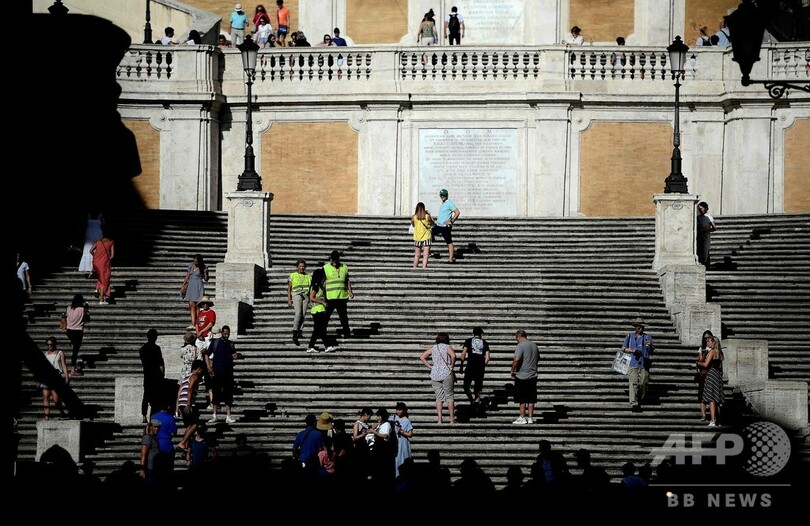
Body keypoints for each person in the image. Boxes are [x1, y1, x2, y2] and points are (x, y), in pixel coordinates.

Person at [419, 332, 457, 424]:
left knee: (439, 398)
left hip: (435, 374)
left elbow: (422, 357)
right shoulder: (447, 347)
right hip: (446, 372)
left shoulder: (433, 348)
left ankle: (440, 420)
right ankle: (452, 419)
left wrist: (431, 367)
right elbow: (453, 356)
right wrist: (451, 365)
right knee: (449, 397)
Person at [205, 325, 239, 424]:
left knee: (228, 394)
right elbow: (207, 353)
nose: (226, 335)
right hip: (217, 372)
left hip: (228, 373)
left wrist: (236, 355)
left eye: (228, 333)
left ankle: (228, 416)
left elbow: (234, 354)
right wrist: (208, 367)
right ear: (221, 333)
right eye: (225, 333)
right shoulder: (215, 342)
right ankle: (214, 415)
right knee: (216, 394)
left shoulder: (231, 344)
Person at [622, 317, 654, 411]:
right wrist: (631, 350)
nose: (640, 328)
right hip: (633, 362)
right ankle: (634, 403)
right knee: (633, 383)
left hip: (644, 363)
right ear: (635, 327)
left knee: (644, 383)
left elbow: (652, 351)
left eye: (642, 327)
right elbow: (623, 348)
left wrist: (650, 347)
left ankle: (642, 397)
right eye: (638, 327)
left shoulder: (648, 337)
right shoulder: (630, 336)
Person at [323, 250, 354, 339]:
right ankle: (322, 332)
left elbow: (347, 280)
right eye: (333, 259)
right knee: (326, 317)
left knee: (344, 317)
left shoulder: (344, 267)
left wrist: (350, 291)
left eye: (336, 259)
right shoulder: (325, 268)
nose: (335, 261)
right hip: (330, 297)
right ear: (331, 259)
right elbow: (321, 281)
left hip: (342, 296)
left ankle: (346, 333)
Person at [510, 329, 539, 424]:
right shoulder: (534, 345)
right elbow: (538, 358)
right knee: (531, 397)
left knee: (521, 397)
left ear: (518, 337)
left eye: (516, 339)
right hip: (533, 375)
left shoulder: (520, 345)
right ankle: (530, 417)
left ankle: (522, 417)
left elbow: (517, 359)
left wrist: (512, 369)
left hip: (522, 375)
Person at [176, 359, 205, 451]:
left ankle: (186, 445)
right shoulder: (195, 376)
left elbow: (178, 394)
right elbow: (190, 389)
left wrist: (177, 409)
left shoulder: (185, 378)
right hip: (187, 403)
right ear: (199, 369)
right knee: (196, 424)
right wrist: (189, 404)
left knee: (189, 426)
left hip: (181, 403)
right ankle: (183, 442)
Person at [306, 267, 337, 353]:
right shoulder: (315, 286)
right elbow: (311, 298)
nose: (325, 278)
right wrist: (322, 302)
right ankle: (323, 346)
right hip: (317, 310)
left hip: (319, 309)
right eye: (324, 276)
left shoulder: (319, 286)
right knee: (319, 329)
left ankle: (315, 346)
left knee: (319, 329)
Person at [139, 328, 165, 423]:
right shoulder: (156, 348)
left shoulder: (142, 349)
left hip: (147, 374)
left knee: (146, 395)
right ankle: (153, 415)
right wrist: (162, 375)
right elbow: (161, 363)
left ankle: (144, 416)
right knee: (156, 396)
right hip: (156, 375)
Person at [40, 336, 69, 420]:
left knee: (55, 399)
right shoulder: (45, 354)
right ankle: (46, 418)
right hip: (46, 377)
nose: (49, 346)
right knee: (45, 396)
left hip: (56, 376)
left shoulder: (60, 353)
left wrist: (67, 377)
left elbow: (64, 365)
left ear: (55, 344)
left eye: (51, 344)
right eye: (48, 344)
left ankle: (61, 412)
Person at [460, 326, 491, 406]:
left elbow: (463, 353)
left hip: (470, 366)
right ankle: (477, 402)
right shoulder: (485, 342)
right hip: (480, 367)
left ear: (473, 333)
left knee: (466, 386)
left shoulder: (468, 341)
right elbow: (487, 358)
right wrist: (483, 365)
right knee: (477, 388)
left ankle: (471, 400)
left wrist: (461, 365)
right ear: (481, 334)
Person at [698, 334, 724, 426]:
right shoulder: (720, 352)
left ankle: (713, 420)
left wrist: (698, 363)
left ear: (714, 342)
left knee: (711, 399)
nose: (707, 343)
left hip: (712, 374)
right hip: (718, 375)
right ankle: (719, 421)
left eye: (709, 341)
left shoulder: (712, 351)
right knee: (717, 400)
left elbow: (705, 364)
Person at [63, 294, 89, 378]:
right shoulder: (82, 309)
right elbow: (88, 319)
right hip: (78, 331)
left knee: (75, 348)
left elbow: (64, 316)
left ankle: (72, 367)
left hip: (69, 331)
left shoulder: (68, 308)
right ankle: (73, 369)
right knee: (75, 350)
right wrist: (87, 310)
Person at [181, 254, 210, 328]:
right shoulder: (191, 266)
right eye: (194, 260)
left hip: (198, 286)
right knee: (191, 305)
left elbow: (206, 279)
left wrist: (206, 272)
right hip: (191, 286)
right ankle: (193, 323)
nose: (195, 261)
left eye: (197, 260)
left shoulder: (203, 267)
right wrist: (183, 285)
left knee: (197, 306)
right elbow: (187, 276)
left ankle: (197, 324)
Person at [287, 259, 311, 345]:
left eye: (303, 266)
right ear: (297, 267)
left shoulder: (308, 276)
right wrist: (289, 299)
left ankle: (300, 331)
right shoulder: (293, 275)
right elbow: (289, 288)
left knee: (303, 314)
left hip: (305, 296)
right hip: (296, 295)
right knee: (298, 313)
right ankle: (294, 332)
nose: (302, 268)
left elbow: (311, 287)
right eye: (300, 266)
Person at [432, 189, 460, 263]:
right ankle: (428, 251)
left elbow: (457, 212)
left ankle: (451, 258)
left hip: (445, 226)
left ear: (447, 195)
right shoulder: (443, 203)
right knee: (429, 233)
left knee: (449, 242)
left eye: (443, 195)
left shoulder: (449, 203)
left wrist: (451, 221)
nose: (442, 196)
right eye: (441, 195)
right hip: (439, 225)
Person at [696, 329, 716, 422]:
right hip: (703, 373)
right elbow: (700, 360)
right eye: (705, 338)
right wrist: (704, 354)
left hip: (711, 373)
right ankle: (704, 415)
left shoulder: (714, 348)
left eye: (708, 338)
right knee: (702, 394)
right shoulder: (702, 348)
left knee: (712, 396)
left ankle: (714, 416)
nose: (707, 340)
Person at [89, 234, 114, 304]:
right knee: (104, 280)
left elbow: (91, 250)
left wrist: (96, 256)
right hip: (104, 264)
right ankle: (101, 300)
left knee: (101, 278)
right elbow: (112, 256)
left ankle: (97, 288)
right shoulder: (111, 242)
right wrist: (106, 259)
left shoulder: (98, 241)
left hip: (96, 263)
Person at [78, 212, 103, 277]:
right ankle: (94, 268)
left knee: (89, 249)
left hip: (90, 232)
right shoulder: (100, 216)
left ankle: (90, 269)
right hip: (97, 232)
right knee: (94, 249)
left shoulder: (90, 215)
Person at [411, 202, 434, 268]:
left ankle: (414, 268)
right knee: (425, 255)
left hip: (417, 237)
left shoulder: (414, 217)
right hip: (426, 237)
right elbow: (433, 223)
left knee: (417, 255)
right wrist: (429, 214)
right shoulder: (427, 217)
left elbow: (413, 225)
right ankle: (424, 268)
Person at [393, 402, 413, 478]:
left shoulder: (407, 421)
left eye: (400, 410)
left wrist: (402, 431)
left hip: (403, 443)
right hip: (395, 442)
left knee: (403, 458)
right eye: (397, 410)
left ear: (404, 410)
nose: (398, 411)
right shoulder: (394, 418)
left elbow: (410, 434)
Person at [696, 201, 716, 268]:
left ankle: (706, 264)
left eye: (701, 209)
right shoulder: (698, 217)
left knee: (705, 250)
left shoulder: (709, 217)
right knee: (699, 249)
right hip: (699, 235)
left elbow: (714, 228)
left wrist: (707, 230)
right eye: (699, 209)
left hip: (706, 236)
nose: (700, 210)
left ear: (705, 208)